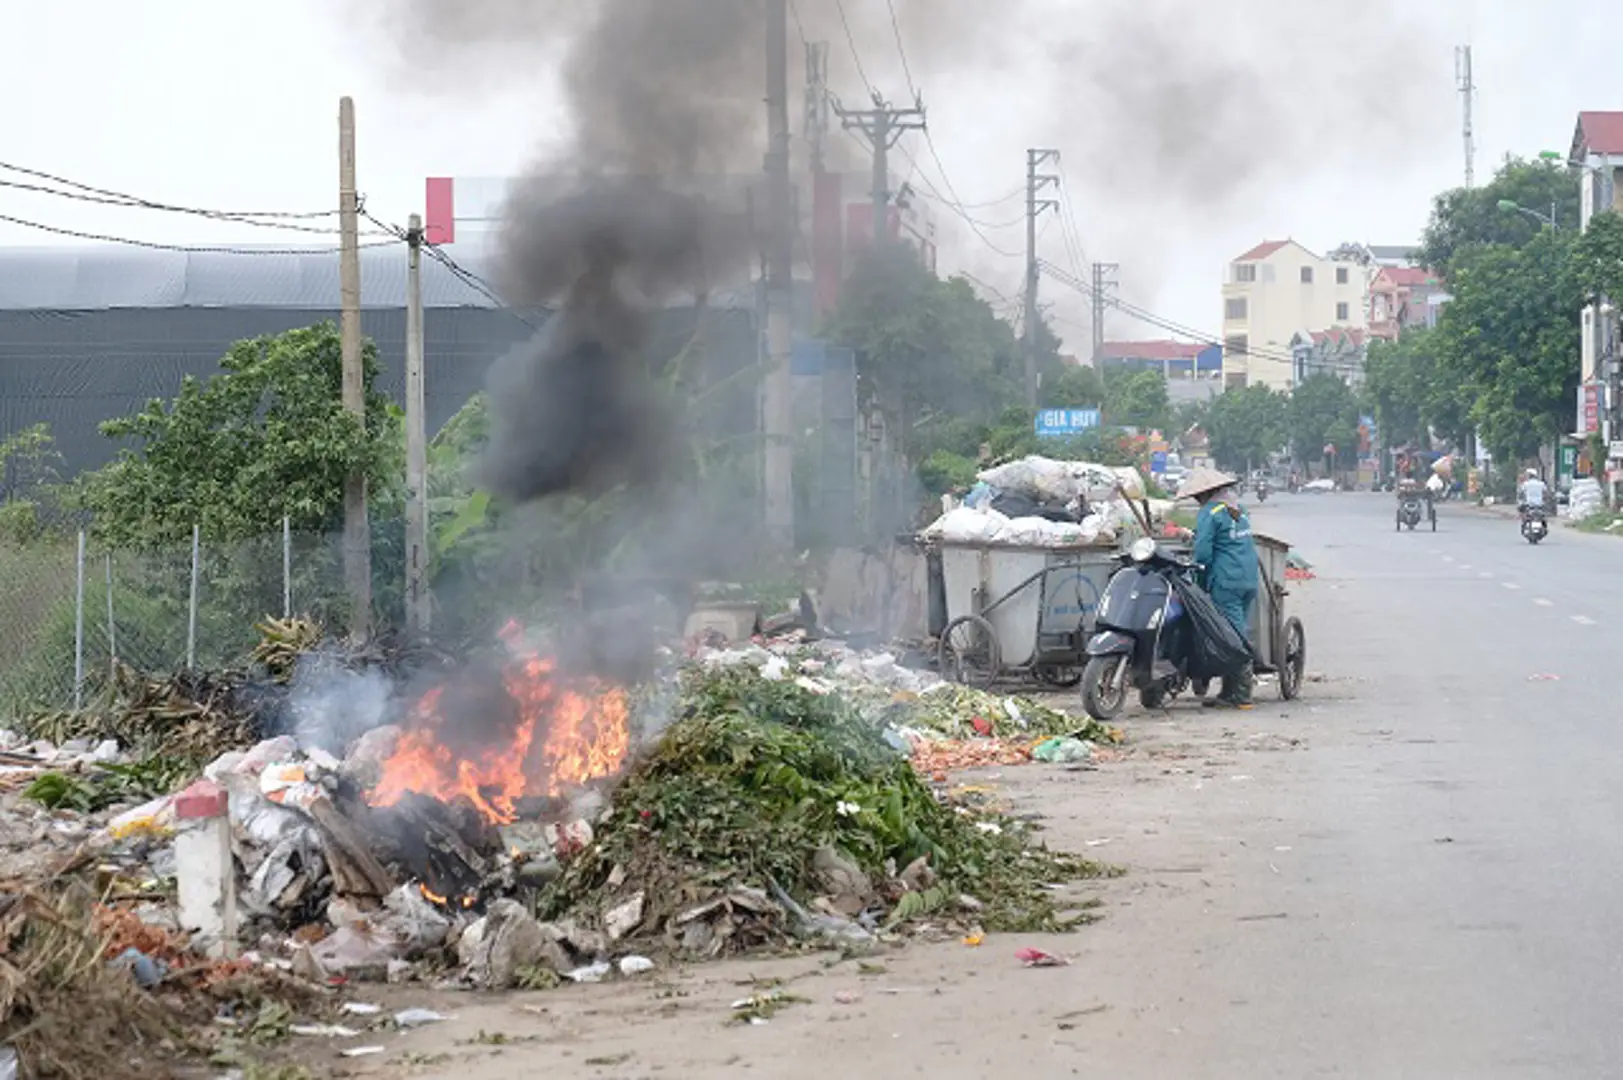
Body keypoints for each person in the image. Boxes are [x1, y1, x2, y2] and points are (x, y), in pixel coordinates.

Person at [1182, 466, 1258, 709]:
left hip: (1226, 582)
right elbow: (1230, 538)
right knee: (1234, 631)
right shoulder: (1238, 509)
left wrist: (1199, 582)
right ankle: (1228, 691)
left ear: (1203, 494)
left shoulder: (1209, 512)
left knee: (1233, 637)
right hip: (1248, 578)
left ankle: (1244, 692)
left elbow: (1203, 554)